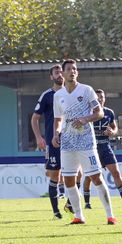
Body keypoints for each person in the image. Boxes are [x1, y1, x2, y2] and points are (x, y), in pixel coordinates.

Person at [52, 59, 116, 225]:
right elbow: (58, 119)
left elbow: (99, 112)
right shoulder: (58, 95)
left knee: (96, 178)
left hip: (86, 142)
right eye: (69, 69)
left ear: (77, 73)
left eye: (75, 69)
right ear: (63, 73)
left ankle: (110, 215)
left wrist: (85, 119)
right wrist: (56, 133)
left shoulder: (86, 90)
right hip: (67, 144)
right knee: (68, 181)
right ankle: (79, 216)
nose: (72, 71)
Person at [83, 89, 122, 209]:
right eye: (97, 98)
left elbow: (114, 128)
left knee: (116, 172)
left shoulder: (109, 112)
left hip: (105, 147)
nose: (99, 99)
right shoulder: (88, 113)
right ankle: (87, 203)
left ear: (104, 99)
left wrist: (111, 132)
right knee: (89, 176)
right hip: (92, 148)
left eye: (101, 97)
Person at [31, 64, 65, 219]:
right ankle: (56, 212)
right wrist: (39, 137)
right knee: (54, 175)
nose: (60, 74)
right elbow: (35, 118)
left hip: (72, 141)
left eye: (61, 72)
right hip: (54, 142)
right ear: (51, 76)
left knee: (77, 173)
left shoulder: (72, 93)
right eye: (56, 72)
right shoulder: (47, 95)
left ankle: (72, 206)